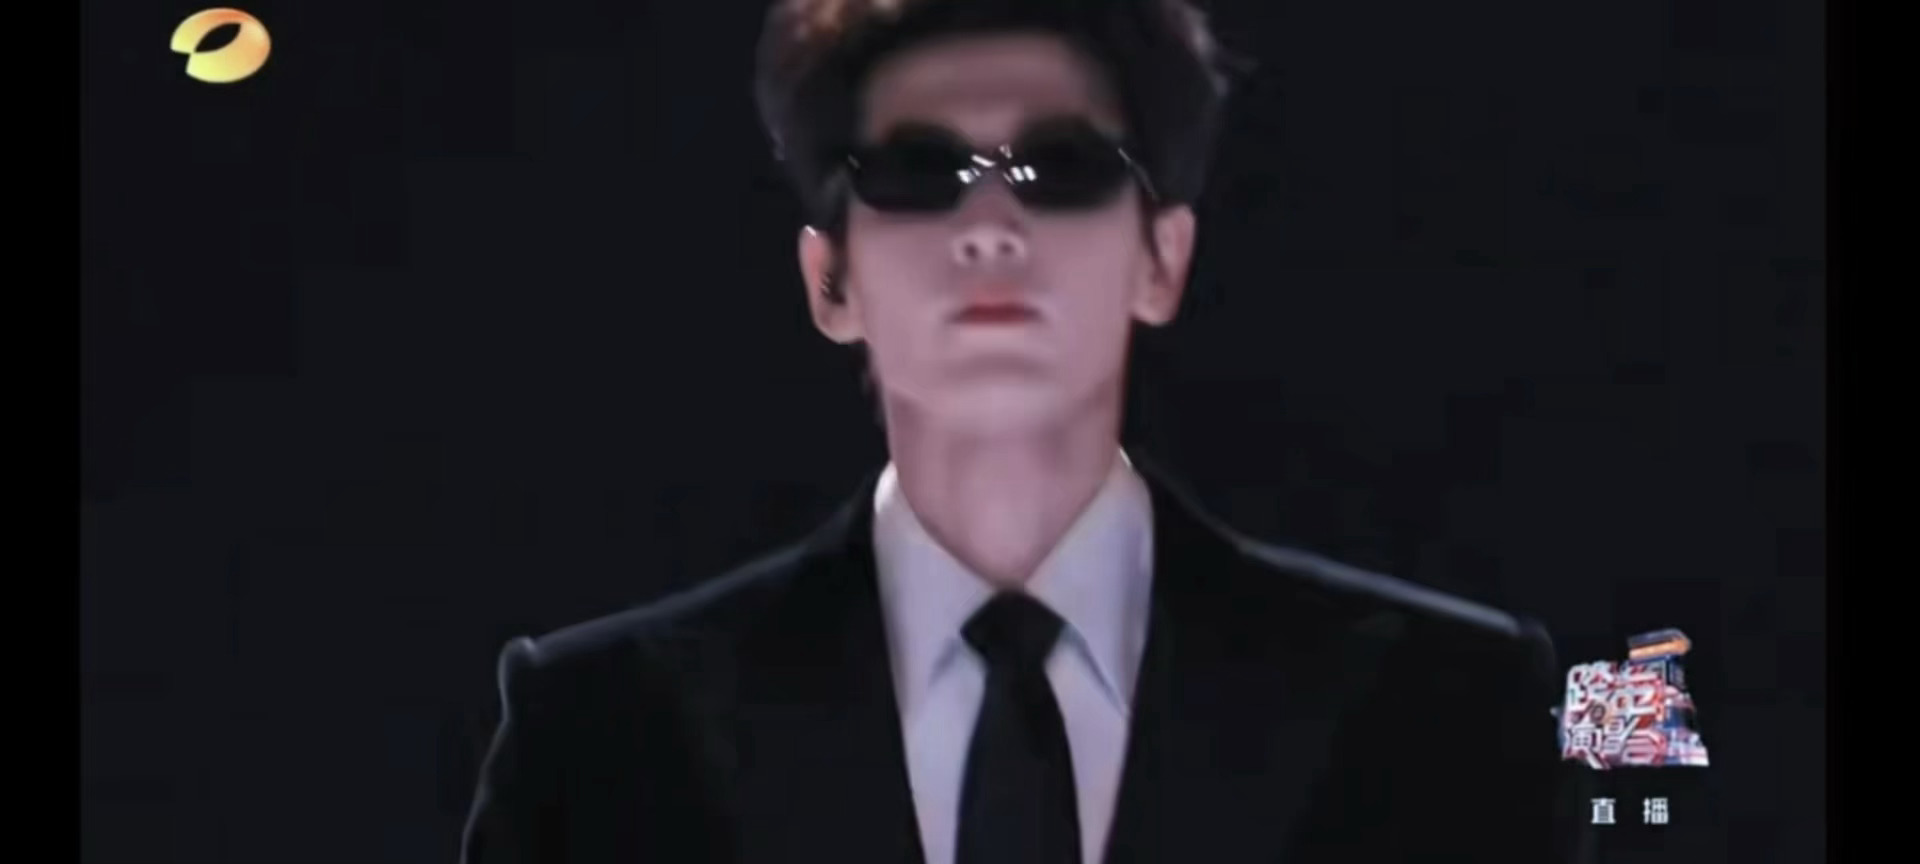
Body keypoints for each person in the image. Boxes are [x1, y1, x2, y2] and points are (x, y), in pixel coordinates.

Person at [461, 1, 1585, 861]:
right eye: (918, 172)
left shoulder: (1445, 709)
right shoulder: (603, 734)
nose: (991, 224)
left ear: (1163, 258)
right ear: (829, 278)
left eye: (1062, 168)